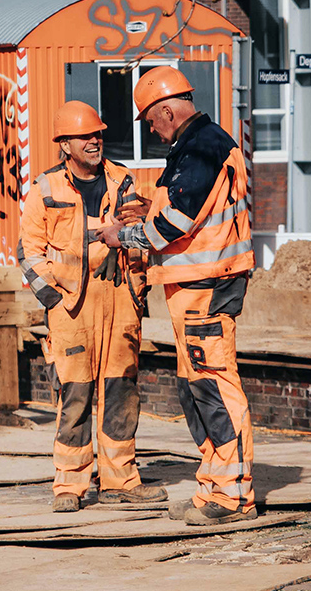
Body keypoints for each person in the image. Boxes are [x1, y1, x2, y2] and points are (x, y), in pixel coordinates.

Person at [95, 66, 257, 526]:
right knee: (195, 387)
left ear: (167, 109)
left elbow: (175, 226)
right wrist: (151, 209)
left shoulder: (202, 147)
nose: (149, 127)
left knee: (214, 385)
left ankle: (233, 494)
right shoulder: (193, 148)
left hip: (209, 284)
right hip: (196, 285)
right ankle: (214, 484)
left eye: (149, 118)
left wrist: (123, 235)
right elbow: (189, 214)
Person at [21, 101, 166, 513]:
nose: (94, 141)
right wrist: (53, 298)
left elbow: (138, 233)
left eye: (98, 134)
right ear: (64, 143)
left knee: (122, 391)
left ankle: (120, 479)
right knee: (76, 395)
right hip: (71, 308)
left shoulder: (122, 179)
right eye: (86, 136)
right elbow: (27, 253)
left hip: (119, 301)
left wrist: (139, 292)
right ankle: (70, 483)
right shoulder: (45, 189)